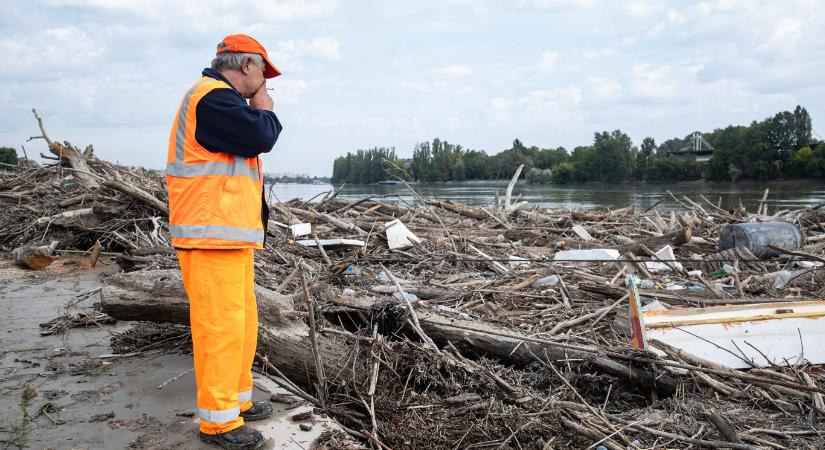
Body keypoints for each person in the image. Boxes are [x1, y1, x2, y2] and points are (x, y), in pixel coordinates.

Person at [165, 34, 282, 450]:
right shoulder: (213, 98)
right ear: (247, 66)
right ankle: (218, 421)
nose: (264, 87)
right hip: (209, 235)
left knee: (241, 322)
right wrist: (264, 106)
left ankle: (236, 400)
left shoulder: (218, 100)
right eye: (264, 77)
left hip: (225, 236)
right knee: (220, 327)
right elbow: (261, 135)